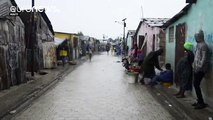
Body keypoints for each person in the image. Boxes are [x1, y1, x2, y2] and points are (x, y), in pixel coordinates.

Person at [192, 30, 210, 109]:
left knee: (196, 84)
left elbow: (204, 58)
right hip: (197, 68)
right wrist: (194, 65)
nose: (196, 38)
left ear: (200, 36)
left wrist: (199, 67)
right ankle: (199, 101)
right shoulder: (198, 45)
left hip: (201, 69)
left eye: (197, 36)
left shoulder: (204, 45)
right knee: (196, 84)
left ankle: (201, 102)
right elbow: (196, 56)